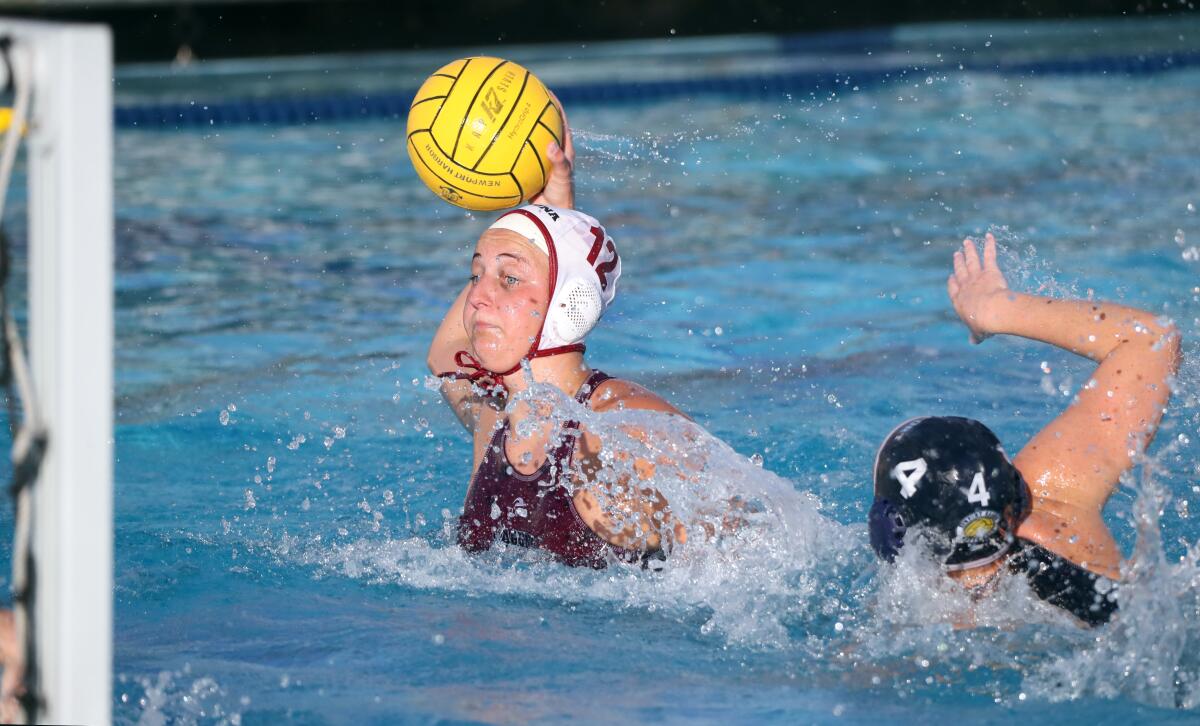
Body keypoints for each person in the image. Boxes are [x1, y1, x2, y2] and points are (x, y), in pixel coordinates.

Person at [868, 233, 1181, 626]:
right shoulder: (1056, 508)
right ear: (1014, 496)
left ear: (891, 532)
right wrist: (996, 310)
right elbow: (1151, 339)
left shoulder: (909, 629)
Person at [426, 109, 688, 569]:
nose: (477, 298)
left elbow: (749, 539)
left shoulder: (622, 427)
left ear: (571, 302)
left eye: (508, 278)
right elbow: (446, 358)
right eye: (474, 274)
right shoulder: (499, 417)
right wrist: (545, 212)